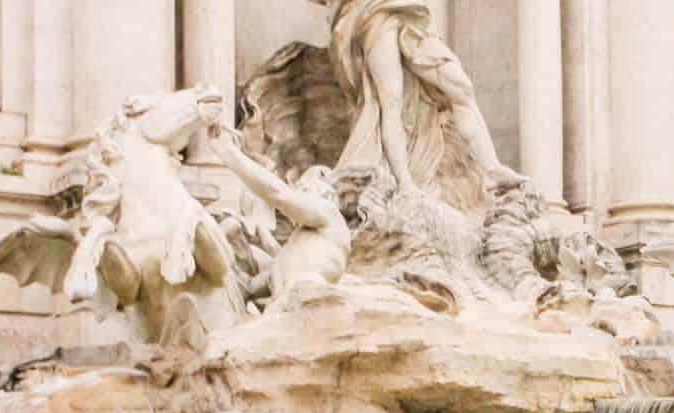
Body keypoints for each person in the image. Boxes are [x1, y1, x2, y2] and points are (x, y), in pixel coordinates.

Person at [314, 0, 528, 195]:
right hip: (372, 11)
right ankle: (405, 183)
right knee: (391, 98)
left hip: (411, 12)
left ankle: (491, 168)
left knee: (461, 87)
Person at [206, 114, 351, 302]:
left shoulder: (329, 215)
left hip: (309, 307)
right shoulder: (295, 248)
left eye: (305, 188)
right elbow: (249, 287)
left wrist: (226, 151)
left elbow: (279, 194)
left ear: (328, 195)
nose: (298, 191)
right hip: (282, 314)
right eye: (297, 187)